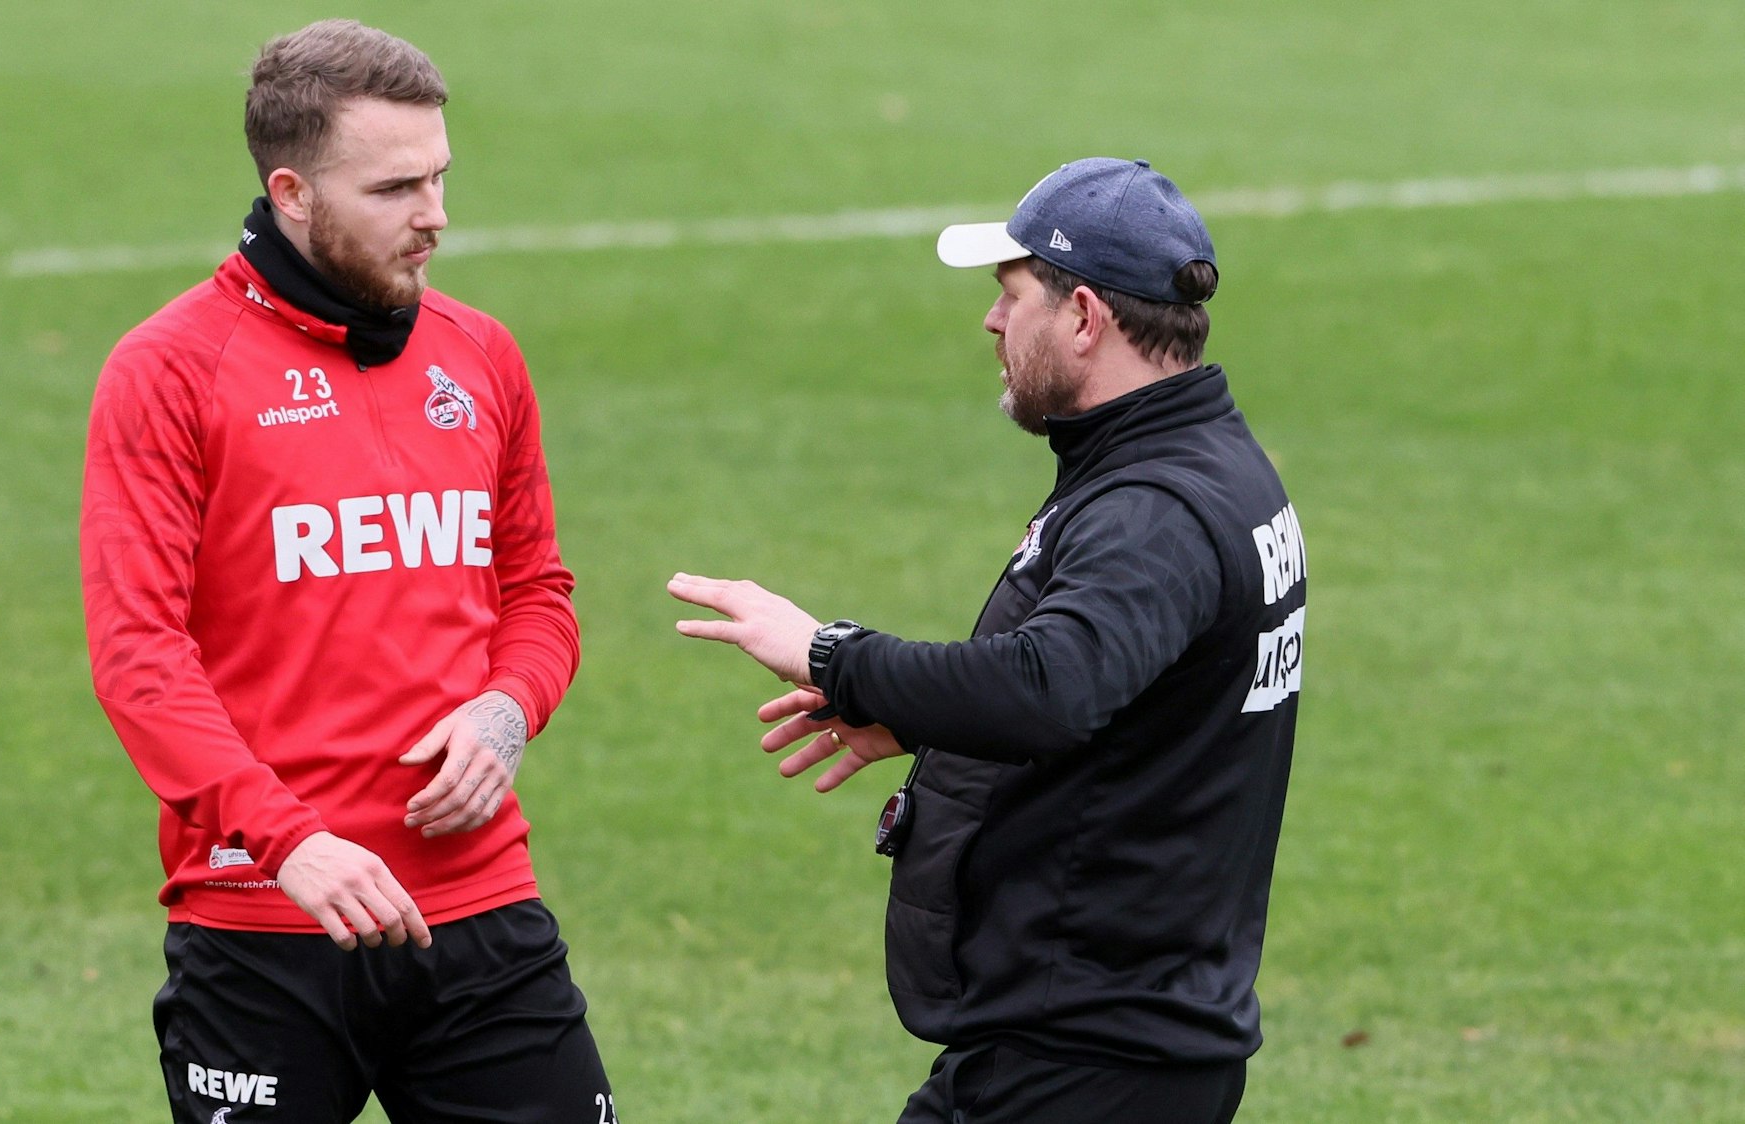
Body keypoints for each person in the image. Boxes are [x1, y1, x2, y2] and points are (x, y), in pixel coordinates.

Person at [669, 157, 1305, 1124]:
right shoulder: (1211, 465)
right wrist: (915, 716)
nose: (992, 322)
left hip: (1086, 1055)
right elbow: (1134, 693)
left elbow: (1049, 686)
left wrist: (833, 654)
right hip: (1115, 1037)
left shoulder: (1152, 508)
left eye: (1012, 296)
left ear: (1084, 316)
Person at [80, 20, 616, 1123]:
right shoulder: (170, 372)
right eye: (394, 189)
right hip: (264, 928)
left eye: (440, 177)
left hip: (479, 912)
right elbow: (140, 659)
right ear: (291, 192)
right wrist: (292, 841)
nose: (435, 217)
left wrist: (507, 713)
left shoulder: (481, 354)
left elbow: (536, 594)